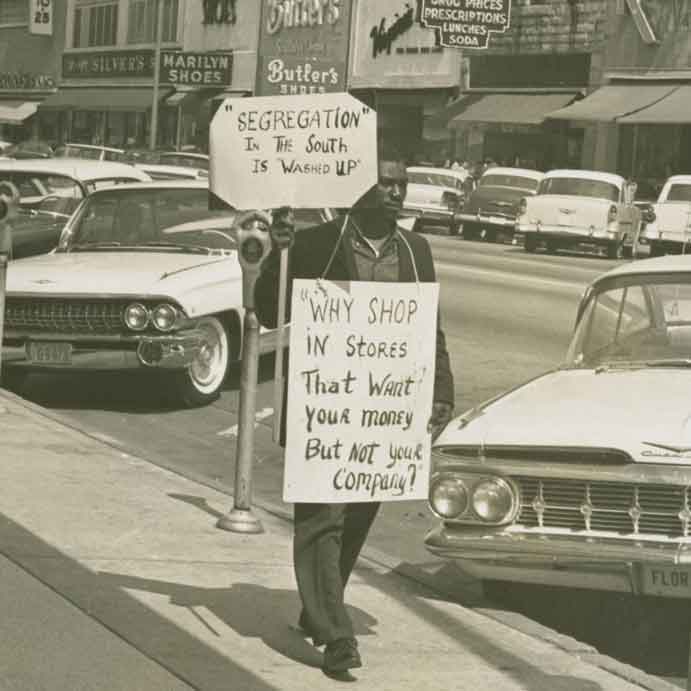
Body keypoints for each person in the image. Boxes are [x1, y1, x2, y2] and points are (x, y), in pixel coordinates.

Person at [251, 150, 455, 675]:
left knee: (360, 512)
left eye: (402, 182)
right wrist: (277, 255)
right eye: (386, 182)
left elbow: (428, 328)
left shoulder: (416, 250)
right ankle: (336, 635)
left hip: (382, 412)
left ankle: (317, 606)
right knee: (323, 518)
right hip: (325, 407)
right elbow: (270, 310)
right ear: (358, 188)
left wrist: (440, 390)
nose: (396, 191)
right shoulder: (319, 243)